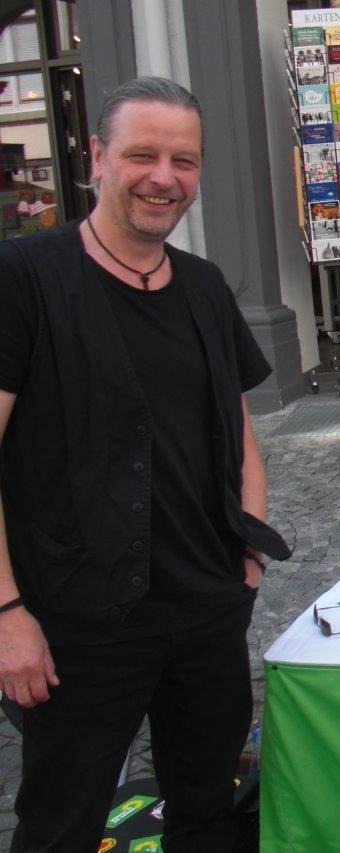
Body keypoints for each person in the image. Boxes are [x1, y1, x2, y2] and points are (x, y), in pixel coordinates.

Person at [0, 77, 290, 850]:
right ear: (97, 156)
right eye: (143, 154)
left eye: (184, 160)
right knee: (61, 823)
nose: (165, 177)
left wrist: (248, 556)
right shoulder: (26, 278)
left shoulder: (202, 286)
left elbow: (240, 437)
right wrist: (6, 613)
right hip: (75, 623)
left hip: (203, 610)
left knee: (207, 811)